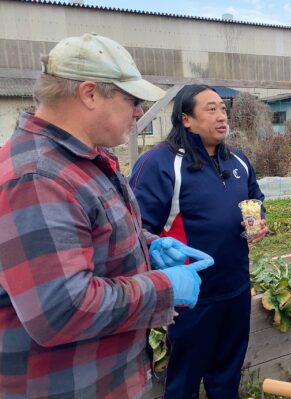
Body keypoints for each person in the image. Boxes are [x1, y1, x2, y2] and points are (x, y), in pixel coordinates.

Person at [0, 33, 214, 399]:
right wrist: (165, 287)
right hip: (67, 386)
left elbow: (91, 232)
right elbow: (61, 310)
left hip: (107, 378)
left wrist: (150, 245)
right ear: (89, 94)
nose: (137, 111)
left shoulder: (79, 159)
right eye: (131, 99)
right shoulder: (38, 177)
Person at [130, 84, 268, 398]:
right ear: (186, 119)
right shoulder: (160, 164)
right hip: (189, 299)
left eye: (223, 108)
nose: (222, 117)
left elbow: (256, 199)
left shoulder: (237, 160)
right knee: (182, 382)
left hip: (234, 290)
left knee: (227, 376)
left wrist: (260, 221)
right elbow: (135, 228)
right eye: (211, 109)